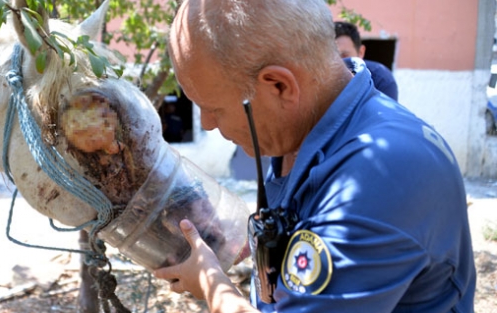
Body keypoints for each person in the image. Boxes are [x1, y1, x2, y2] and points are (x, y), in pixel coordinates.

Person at [153, 0, 476, 312]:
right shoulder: (306, 132)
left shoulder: (379, 179)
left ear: (279, 85)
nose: (208, 124)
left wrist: (212, 284)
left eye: (214, 108)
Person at [334, 21, 399, 101]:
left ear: (361, 52)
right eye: (332, 56)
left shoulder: (381, 80)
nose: (338, 62)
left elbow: (387, 112)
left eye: (345, 56)